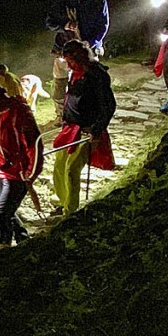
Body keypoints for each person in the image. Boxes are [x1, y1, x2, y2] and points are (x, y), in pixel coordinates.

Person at [51, 41, 117, 216]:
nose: (69, 65)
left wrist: (97, 129)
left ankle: (70, 211)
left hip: (87, 130)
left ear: (80, 57)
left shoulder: (96, 75)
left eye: (70, 61)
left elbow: (109, 105)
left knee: (72, 170)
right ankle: (63, 201)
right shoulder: (75, 73)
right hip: (70, 128)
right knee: (59, 166)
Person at [0, 84, 43, 249]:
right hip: (3, 172)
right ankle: (23, 239)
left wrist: (30, 173)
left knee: (3, 214)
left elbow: (34, 146)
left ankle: (3, 247)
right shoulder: (1, 115)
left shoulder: (20, 115)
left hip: (17, 174)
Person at [45, 0, 109, 123]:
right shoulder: (63, 0)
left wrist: (91, 42)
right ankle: (61, 114)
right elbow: (49, 22)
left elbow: (103, 24)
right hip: (64, 49)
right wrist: (64, 25)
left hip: (88, 50)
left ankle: (92, 114)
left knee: (91, 82)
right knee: (60, 82)